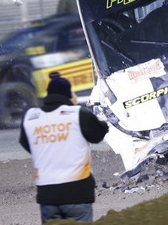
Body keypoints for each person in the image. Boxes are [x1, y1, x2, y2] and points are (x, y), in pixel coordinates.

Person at [19, 76, 109, 223]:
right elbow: (97, 135)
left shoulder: (30, 117)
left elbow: (27, 144)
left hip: (47, 194)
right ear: (69, 94)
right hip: (77, 192)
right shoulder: (77, 114)